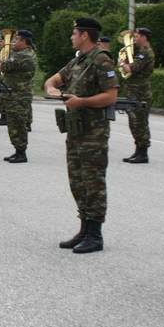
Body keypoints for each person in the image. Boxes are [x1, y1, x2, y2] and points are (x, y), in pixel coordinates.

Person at [45, 17, 118, 254]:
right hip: (76, 130)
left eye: (74, 33)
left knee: (93, 182)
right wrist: (53, 88)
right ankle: (84, 227)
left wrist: (82, 101)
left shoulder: (101, 61)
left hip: (93, 133)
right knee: (77, 181)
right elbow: (54, 79)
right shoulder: (79, 61)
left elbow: (111, 96)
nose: (71, 37)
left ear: (85, 35)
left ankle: (95, 234)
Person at [0, 29, 37, 163]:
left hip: (18, 96)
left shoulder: (24, 55)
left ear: (24, 41)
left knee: (18, 124)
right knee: (14, 124)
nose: (13, 42)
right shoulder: (22, 53)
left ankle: (21, 152)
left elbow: (3, 66)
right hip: (14, 94)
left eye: (16, 39)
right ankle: (18, 150)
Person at [122, 27, 156, 164]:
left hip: (140, 93)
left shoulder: (145, 52)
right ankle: (138, 151)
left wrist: (123, 64)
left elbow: (132, 69)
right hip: (135, 92)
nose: (134, 39)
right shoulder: (140, 52)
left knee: (140, 122)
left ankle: (143, 153)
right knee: (134, 122)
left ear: (144, 37)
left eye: (136, 37)